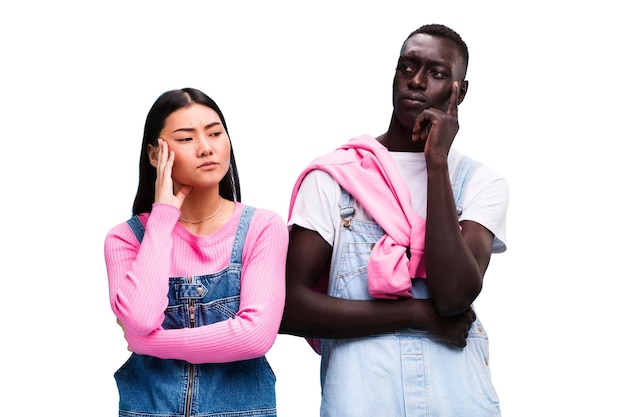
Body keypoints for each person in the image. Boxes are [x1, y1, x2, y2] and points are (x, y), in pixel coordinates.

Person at [280, 24, 509, 416]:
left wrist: (436, 161)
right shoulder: (335, 178)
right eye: (407, 67)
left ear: (460, 91)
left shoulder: (480, 183)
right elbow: (289, 307)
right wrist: (417, 315)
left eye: (436, 73)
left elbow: (455, 296)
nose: (416, 82)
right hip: (361, 398)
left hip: (457, 399)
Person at [104, 88, 288, 417]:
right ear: (154, 155)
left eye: (215, 133)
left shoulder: (262, 228)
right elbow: (142, 317)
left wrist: (148, 344)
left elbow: (255, 337)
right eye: (186, 139)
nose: (206, 148)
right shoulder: (126, 239)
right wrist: (162, 217)